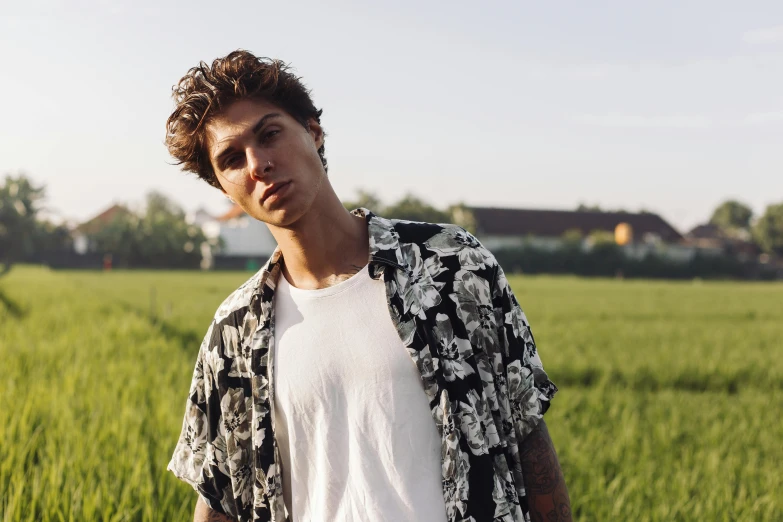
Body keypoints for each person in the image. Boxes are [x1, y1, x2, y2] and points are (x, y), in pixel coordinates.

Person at [166, 49, 571, 522]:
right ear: (223, 186)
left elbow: (529, 441)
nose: (257, 164)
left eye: (269, 134)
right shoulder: (234, 331)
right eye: (232, 159)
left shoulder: (451, 266)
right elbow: (220, 499)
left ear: (314, 131)